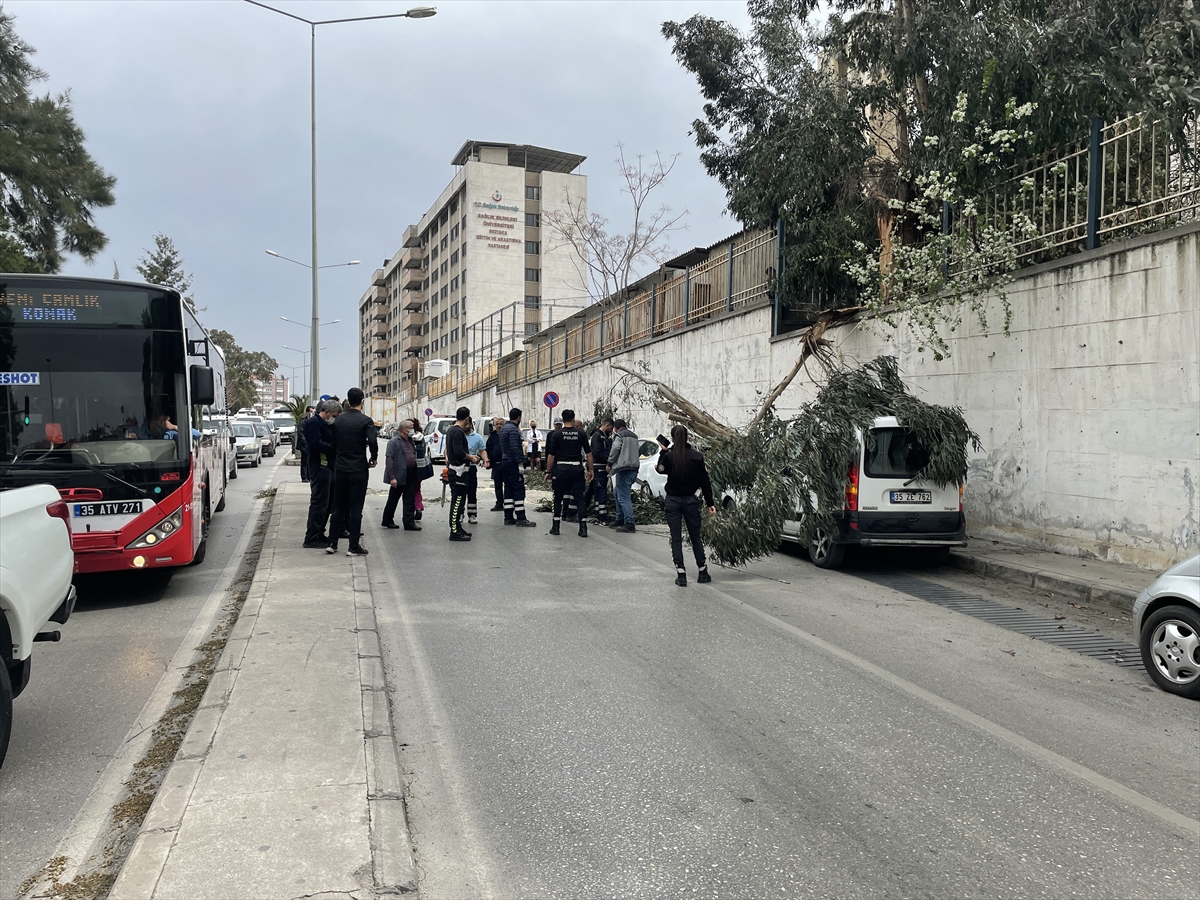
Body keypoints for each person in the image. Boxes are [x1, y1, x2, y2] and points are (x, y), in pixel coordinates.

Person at [655, 424, 715, 587]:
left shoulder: (669, 456)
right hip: (691, 501)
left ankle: (681, 574)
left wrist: (663, 451)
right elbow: (705, 481)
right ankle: (702, 571)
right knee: (695, 536)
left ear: (673, 439)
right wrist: (710, 503)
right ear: (688, 437)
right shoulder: (696, 457)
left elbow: (660, 470)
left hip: (673, 501)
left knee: (676, 537)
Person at [326, 388, 378, 556]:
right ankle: (353, 546)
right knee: (356, 508)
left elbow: (332, 444)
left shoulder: (338, 420)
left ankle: (332, 543)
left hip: (340, 468)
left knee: (338, 506)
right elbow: (372, 440)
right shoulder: (366, 421)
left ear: (347, 401)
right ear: (362, 401)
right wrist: (374, 457)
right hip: (358, 469)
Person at [544, 409, 592, 538]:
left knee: (557, 498)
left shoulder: (557, 435)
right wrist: (591, 470)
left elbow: (551, 455)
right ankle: (583, 528)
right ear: (573, 418)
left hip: (560, 469)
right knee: (579, 498)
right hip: (576, 469)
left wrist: (548, 471)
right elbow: (588, 453)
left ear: (563, 419)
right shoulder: (581, 434)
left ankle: (555, 526)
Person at [302, 400, 338, 547]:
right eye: (334, 415)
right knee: (319, 503)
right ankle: (312, 537)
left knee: (327, 503)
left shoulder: (324, 423)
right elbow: (315, 444)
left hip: (327, 466)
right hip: (319, 466)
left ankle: (320, 532)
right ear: (326, 412)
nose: (334, 418)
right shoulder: (314, 423)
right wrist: (334, 447)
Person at [381, 418, 421, 531]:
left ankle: (409, 522)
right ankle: (387, 520)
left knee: (409, 499)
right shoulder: (393, 442)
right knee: (393, 499)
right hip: (399, 474)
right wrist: (392, 477)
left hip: (411, 473)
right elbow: (389, 460)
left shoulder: (411, 440)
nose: (413, 430)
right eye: (411, 428)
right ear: (404, 429)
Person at [499, 408, 537, 527]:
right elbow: (515, 447)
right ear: (519, 417)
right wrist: (520, 463)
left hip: (505, 461)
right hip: (512, 463)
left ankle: (508, 517)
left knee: (509, 490)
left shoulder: (504, 429)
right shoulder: (514, 430)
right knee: (519, 489)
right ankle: (521, 518)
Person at [445, 406, 477, 541]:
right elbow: (458, 452)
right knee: (457, 502)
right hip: (458, 472)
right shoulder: (458, 432)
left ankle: (457, 527)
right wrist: (471, 457)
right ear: (467, 418)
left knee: (459, 501)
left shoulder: (451, 429)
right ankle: (454, 531)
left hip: (457, 470)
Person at [609, 418, 640, 532]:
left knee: (623, 497)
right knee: (617, 492)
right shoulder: (634, 436)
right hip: (633, 468)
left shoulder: (620, 435)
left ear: (616, 429)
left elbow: (615, 448)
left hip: (623, 468)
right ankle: (620, 518)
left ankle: (629, 523)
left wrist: (610, 462)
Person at [584, 417, 613, 525]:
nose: (612, 430)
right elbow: (596, 452)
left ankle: (588, 512)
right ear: (606, 425)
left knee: (593, 491)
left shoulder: (604, 437)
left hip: (600, 469)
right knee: (601, 493)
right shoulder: (597, 437)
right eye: (611, 427)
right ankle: (602, 517)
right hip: (598, 469)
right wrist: (609, 460)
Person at [464, 418, 486, 525]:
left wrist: (485, 459)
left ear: (470, 424)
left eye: (467, 423)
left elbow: (482, 450)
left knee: (472, 492)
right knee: (460, 493)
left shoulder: (477, 437)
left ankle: (472, 515)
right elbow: (448, 449)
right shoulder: (458, 435)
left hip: (471, 467)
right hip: (459, 467)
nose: (465, 425)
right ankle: (459, 514)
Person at [484, 416, 505, 511]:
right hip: (496, 464)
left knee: (508, 484)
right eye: (497, 424)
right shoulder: (492, 435)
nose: (499, 426)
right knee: (497, 485)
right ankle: (499, 503)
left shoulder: (506, 434)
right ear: (494, 425)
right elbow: (487, 448)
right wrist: (486, 459)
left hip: (506, 464)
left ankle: (509, 503)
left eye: (501, 424)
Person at [297, 405, 314, 483]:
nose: (311, 413)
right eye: (310, 412)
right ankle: (304, 477)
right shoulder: (303, 421)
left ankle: (308, 476)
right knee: (304, 461)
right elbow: (300, 432)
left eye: (312, 412)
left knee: (309, 461)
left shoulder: (313, 421)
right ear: (307, 412)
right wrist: (305, 442)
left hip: (310, 444)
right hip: (304, 445)